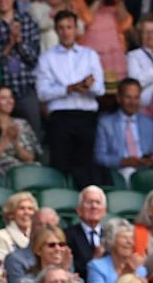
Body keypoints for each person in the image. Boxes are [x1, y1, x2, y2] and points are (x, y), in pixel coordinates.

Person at [38, 10, 104, 189]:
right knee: (60, 166)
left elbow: (100, 89)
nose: (66, 32)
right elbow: (42, 93)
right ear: (56, 31)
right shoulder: (47, 58)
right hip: (61, 117)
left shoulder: (90, 55)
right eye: (61, 28)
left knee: (85, 167)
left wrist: (86, 86)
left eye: (69, 27)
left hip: (86, 116)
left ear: (76, 30)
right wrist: (69, 88)